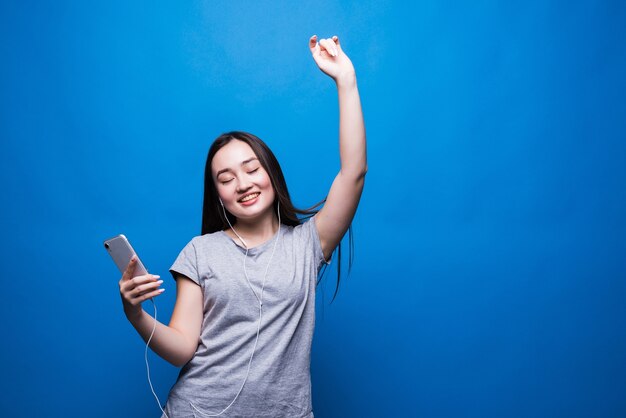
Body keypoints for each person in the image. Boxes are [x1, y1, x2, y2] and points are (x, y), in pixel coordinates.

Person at [118, 34, 366, 417]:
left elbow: (354, 173)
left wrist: (345, 80)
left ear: (271, 174)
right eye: (226, 177)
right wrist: (136, 314)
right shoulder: (200, 252)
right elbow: (184, 346)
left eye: (251, 169)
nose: (243, 183)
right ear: (217, 194)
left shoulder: (308, 244)